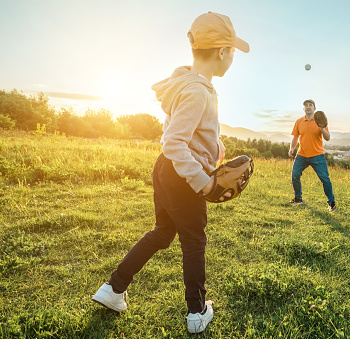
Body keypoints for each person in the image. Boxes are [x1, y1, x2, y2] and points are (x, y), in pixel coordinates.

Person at [92, 12, 249, 334]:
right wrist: (202, 180)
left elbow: (183, 134)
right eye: (232, 51)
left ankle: (113, 289)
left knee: (163, 233)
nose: (233, 58)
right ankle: (196, 312)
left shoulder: (188, 83)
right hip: (180, 174)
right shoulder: (198, 91)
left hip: (165, 169)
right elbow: (174, 141)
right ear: (222, 52)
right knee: (194, 240)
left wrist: (213, 145)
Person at [288, 99, 336, 212]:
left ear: (314, 108)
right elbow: (295, 137)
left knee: (325, 179)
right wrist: (291, 148)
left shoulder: (320, 120)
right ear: (303, 108)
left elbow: (327, 138)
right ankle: (298, 198)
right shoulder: (299, 121)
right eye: (306, 105)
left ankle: (331, 203)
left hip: (317, 156)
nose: (308, 107)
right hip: (301, 155)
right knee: (295, 175)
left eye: (310, 105)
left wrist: (321, 128)